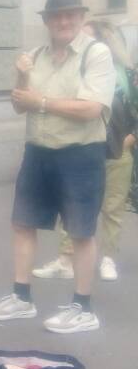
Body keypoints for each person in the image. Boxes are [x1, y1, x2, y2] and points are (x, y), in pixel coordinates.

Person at [0, 0, 116, 333]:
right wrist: (21, 74)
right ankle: (21, 298)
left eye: (70, 14)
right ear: (47, 20)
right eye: (56, 15)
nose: (63, 21)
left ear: (81, 17)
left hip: (80, 154)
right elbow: (19, 104)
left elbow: (91, 109)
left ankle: (83, 308)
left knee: (80, 231)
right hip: (38, 152)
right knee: (23, 223)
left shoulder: (96, 53)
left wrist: (40, 102)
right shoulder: (35, 56)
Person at [33, 19, 138, 283]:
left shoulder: (127, 76)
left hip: (116, 151)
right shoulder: (77, 70)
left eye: (88, 38)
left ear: (105, 43)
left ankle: (108, 258)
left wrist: (130, 139)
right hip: (81, 149)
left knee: (112, 207)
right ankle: (66, 260)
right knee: (72, 204)